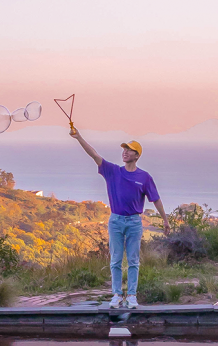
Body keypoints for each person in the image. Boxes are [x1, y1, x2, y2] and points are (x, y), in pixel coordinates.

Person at [70, 126, 169, 308]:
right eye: (124, 149)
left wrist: (165, 220)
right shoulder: (112, 171)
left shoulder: (144, 177)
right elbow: (94, 155)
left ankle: (131, 296)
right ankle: (116, 295)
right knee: (115, 260)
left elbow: (156, 199)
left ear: (137, 155)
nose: (124, 152)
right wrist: (79, 137)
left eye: (129, 150)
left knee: (133, 261)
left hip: (134, 222)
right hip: (115, 220)